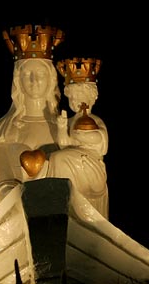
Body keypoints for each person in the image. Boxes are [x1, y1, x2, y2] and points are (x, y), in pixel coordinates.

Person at [0, 24, 65, 233]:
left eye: (40, 74)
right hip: (13, 227)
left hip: (56, 222)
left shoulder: (63, 128)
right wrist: (10, 193)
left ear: (51, 78)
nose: (34, 81)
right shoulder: (4, 130)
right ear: (18, 80)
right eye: (27, 74)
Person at [47, 58, 109, 219]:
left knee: (59, 159)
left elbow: (102, 143)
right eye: (72, 97)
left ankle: (61, 208)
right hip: (72, 159)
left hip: (90, 165)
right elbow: (64, 144)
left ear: (92, 97)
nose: (75, 100)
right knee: (56, 158)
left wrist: (83, 136)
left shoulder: (95, 120)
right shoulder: (69, 121)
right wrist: (61, 128)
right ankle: (61, 210)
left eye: (80, 95)